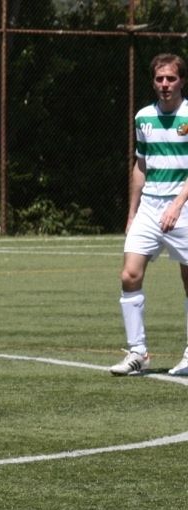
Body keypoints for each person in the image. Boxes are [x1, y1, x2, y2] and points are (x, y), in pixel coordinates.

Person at [111, 53, 188, 376]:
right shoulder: (144, 117)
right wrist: (132, 212)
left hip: (183, 205)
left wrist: (177, 204)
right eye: (159, 79)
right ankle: (138, 352)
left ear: (182, 80)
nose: (165, 85)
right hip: (150, 208)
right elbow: (141, 166)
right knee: (129, 274)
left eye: (171, 78)